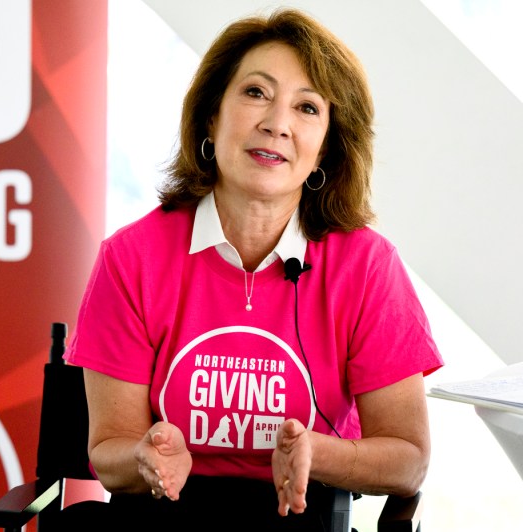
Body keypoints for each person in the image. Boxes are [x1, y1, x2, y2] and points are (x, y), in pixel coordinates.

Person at [64, 7, 443, 530]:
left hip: (303, 514)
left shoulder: (368, 267)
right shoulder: (132, 257)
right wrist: (147, 455)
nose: (277, 123)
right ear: (211, 117)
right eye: (256, 93)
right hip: (160, 516)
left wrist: (317, 452)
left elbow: (409, 459)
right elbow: (108, 447)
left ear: (326, 149)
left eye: (307, 108)